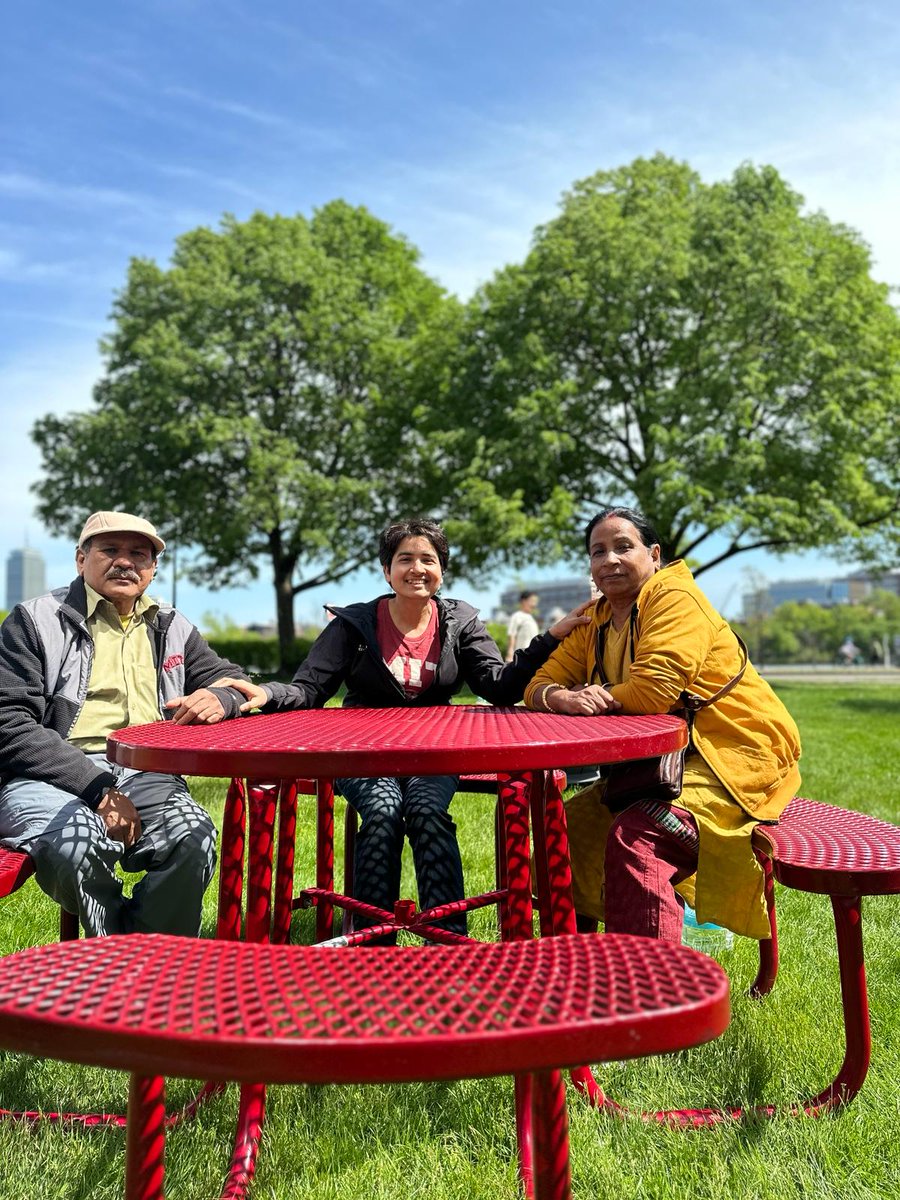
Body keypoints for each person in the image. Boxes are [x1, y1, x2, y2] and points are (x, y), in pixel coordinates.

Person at [221, 518, 591, 940]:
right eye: (405, 559)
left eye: (428, 560)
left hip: (433, 753)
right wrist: (268, 694)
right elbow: (309, 688)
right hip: (363, 752)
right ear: (386, 571)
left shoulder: (460, 623)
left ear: (442, 570)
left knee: (427, 811)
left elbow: (498, 686)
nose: (417, 569)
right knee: (381, 811)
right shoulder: (354, 625)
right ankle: (373, 940)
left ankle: (448, 937)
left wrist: (550, 637)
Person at [523, 507, 802, 944]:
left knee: (640, 834)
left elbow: (655, 690)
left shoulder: (673, 597)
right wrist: (562, 696)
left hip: (733, 759)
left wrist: (597, 696)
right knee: (568, 829)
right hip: (655, 766)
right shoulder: (594, 618)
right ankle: (574, 968)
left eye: (623, 547)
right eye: (598, 552)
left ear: (654, 555)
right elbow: (538, 683)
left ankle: (655, 997)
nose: (610, 559)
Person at [0, 511, 252, 938]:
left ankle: (146, 960)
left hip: (145, 769)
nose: (125, 562)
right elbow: (9, 724)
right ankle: (122, 957)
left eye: (139, 554)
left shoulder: (171, 624)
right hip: (50, 772)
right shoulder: (34, 619)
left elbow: (235, 681)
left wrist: (222, 696)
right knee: (73, 845)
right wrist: (99, 789)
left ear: (153, 570)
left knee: (194, 838)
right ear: (82, 560)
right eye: (110, 550)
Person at [505, 591, 540, 661]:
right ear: (524, 601)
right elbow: (512, 635)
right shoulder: (517, 616)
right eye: (532, 601)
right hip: (521, 657)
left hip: (532, 657)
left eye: (535, 602)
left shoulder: (531, 618)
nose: (534, 604)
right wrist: (510, 654)